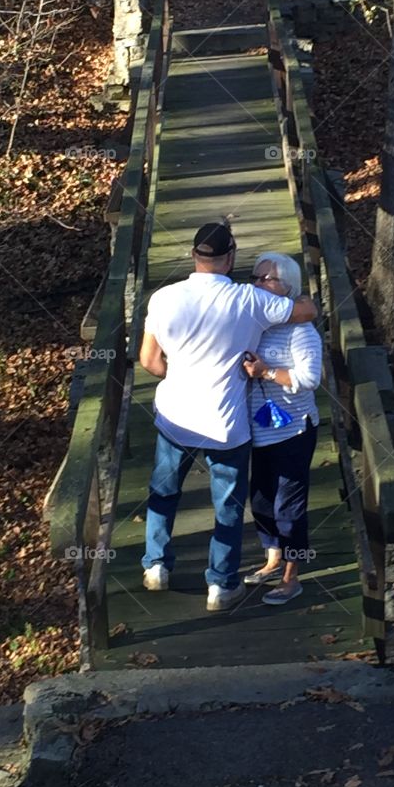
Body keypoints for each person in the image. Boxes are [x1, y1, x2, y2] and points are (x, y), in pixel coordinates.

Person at [139, 222, 318, 612]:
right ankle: (220, 585)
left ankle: (155, 564)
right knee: (229, 505)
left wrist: (184, 377)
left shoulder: (163, 297)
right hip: (226, 423)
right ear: (231, 257)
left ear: (193, 256)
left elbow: (150, 361)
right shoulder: (248, 300)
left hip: (174, 417)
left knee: (163, 491)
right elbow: (308, 310)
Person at [242, 252, 322, 606]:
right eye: (255, 278)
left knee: (289, 507)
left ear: (287, 287)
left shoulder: (301, 331)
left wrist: (267, 373)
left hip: (293, 431)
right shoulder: (253, 323)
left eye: (266, 279)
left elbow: (310, 379)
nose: (258, 284)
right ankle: (273, 559)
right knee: (260, 498)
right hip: (258, 429)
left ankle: (293, 577)